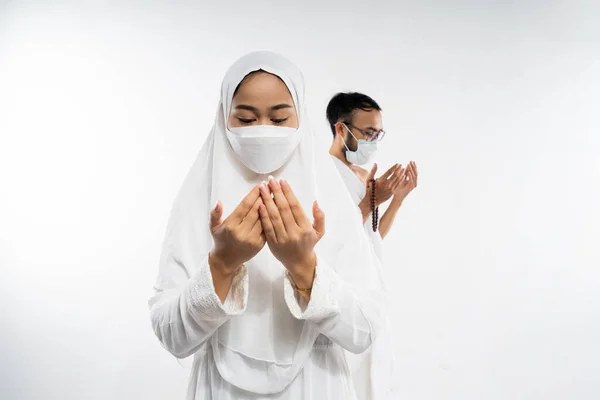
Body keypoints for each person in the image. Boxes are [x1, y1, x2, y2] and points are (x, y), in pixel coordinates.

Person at [148, 52, 386, 399]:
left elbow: (364, 330)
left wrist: (304, 265)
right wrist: (222, 264)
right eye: (245, 119)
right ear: (224, 118)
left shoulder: (330, 198)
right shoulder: (198, 198)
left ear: (300, 118)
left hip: (318, 386)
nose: (262, 130)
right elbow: (172, 336)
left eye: (278, 119)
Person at [326, 92, 418, 399]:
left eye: (378, 133)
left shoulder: (365, 176)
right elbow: (328, 240)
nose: (374, 141)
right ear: (341, 129)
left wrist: (397, 199)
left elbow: (370, 237)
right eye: (368, 133)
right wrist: (368, 200)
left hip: (371, 294)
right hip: (340, 301)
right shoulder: (322, 175)